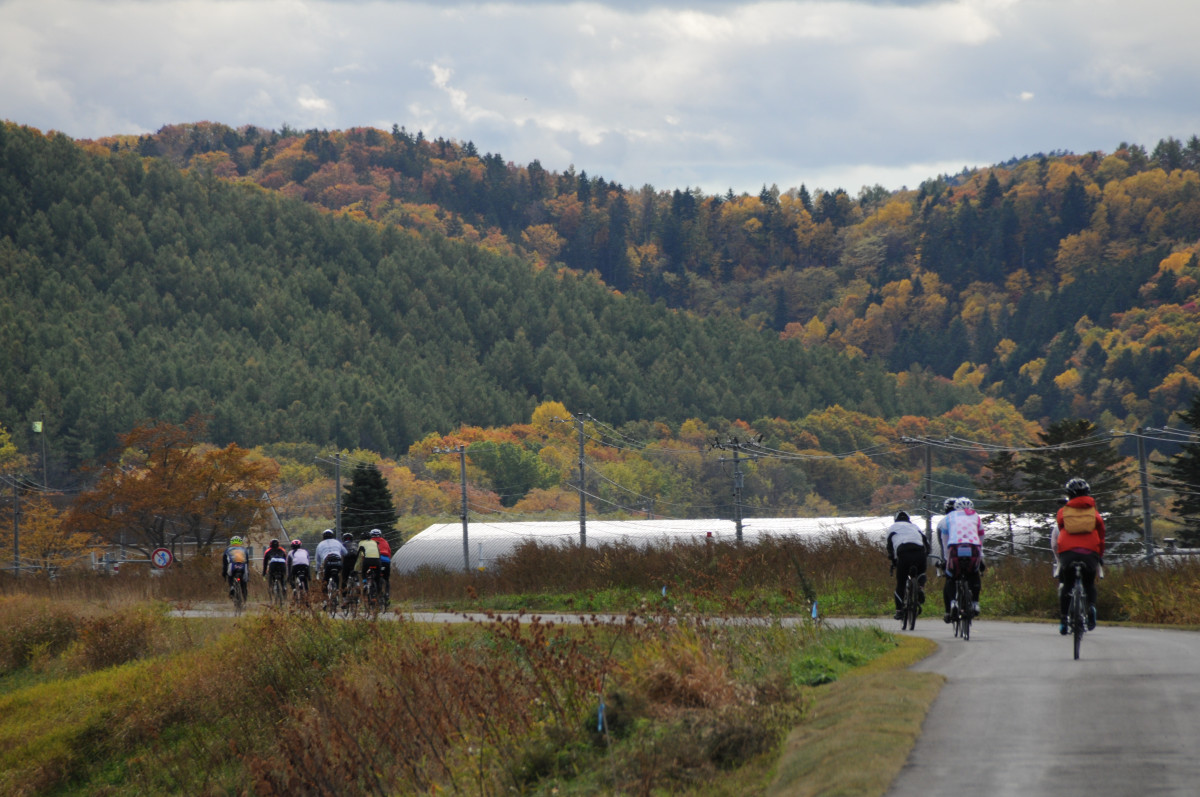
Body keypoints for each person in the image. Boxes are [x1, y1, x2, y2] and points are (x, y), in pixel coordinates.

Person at [1053, 477, 1105, 635]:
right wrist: (1099, 555)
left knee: (1067, 584)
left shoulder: (1062, 512)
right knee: (1089, 584)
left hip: (1067, 552)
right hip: (1090, 552)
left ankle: (1063, 620)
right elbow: (1101, 536)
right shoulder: (1094, 514)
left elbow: (1061, 529)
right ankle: (1091, 607)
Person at [941, 497, 985, 623]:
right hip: (973, 547)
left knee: (951, 576)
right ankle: (975, 603)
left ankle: (953, 603)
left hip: (955, 546)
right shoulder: (976, 516)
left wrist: (946, 556)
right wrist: (980, 553)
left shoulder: (948, 517)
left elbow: (944, 537)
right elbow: (981, 534)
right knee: (974, 573)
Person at [886, 511, 930, 619]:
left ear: (895, 519)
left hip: (903, 552)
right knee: (921, 573)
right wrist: (926, 555)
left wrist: (893, 560)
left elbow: (890, 548)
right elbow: (926, 543)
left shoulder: (892, 527)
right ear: (908, 519)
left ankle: (899, 610)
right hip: (919, 551)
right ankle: (919, 587)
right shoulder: (915, 527)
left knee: (901, 583)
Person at [222, 536, 250, 600]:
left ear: (231, 542)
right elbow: (247, 562)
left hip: (232, 566)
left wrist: (224, 573)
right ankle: (245, 600)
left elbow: (225, 563)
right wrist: (248, 575)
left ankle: (232, 587)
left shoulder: (227, 550)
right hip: (243, 567)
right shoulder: (244, 550)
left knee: (230, 576)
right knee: (244, 584)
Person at [370, 529, 392, 599]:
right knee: (386, 578)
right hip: (386, 561)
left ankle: (375, 593)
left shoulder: (370, 542)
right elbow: (389, 552)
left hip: (375, 560)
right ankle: (387, 594)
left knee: (373, 576)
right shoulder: (385, 541)